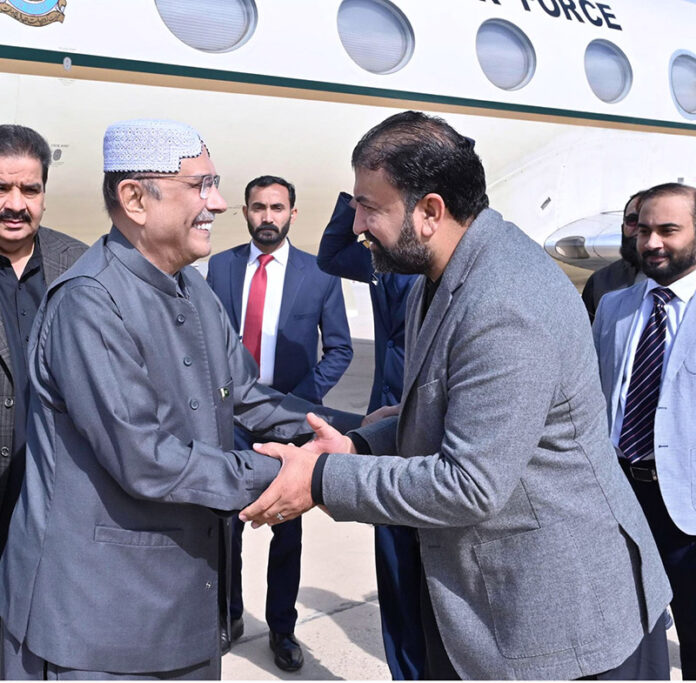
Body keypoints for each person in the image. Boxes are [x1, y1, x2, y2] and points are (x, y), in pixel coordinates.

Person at [240, 111, 673, 680]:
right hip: (493, 613)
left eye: (370, 207)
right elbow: (442, 412)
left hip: (560, 630)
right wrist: (360, 447)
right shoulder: (444, 272)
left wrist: (319, 481)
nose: (358, 225)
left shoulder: (504, 304)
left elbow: (470, 484)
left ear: (430, 212)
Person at [0, 119, 359, 680]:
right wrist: (302, 475)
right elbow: (146, 459)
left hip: (184, 605)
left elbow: (246, 397)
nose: (217, 203)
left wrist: (354, 432)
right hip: (102, 620)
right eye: (201, 185)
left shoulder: (194, 288)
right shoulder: (88, 304)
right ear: (135, 198)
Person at [206, 175, 353, 671]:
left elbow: (339, 349)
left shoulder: (319, 274)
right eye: (258, 207)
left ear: (293, 213)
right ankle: (228, 617)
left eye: (276, 207)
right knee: (227, 523)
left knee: (286, 530)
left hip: (288, 418)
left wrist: (298, 403)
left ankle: (284, 630)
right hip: (234, 418)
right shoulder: (222, 267)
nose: (267, 216)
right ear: (244, 212)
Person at [317, 192, 424, 680]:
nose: (364, 225)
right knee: (394, 560)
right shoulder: (382, 260)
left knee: (427, 567)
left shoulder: (432, 265)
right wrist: (355, 201)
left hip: (425, 421)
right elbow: (331, 253)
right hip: (383, 420)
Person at [593, 182, 696, 679]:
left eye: (669, 230)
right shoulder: (614, 308)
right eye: (644, 229)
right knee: (627, 637)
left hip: (689, 511)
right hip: (622, 502)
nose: (652, 242)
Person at [0, 124, 87, 554]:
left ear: (44, 196)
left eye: (29, 190)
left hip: (54, 502)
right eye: (1, 188)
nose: (15, 205)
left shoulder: (81, 266)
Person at [581, 191, 645, 322]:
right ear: (622, 227)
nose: (640, 228)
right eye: (633, 220)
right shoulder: (600, 282)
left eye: (648, 221)